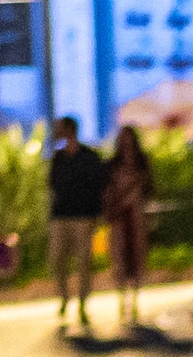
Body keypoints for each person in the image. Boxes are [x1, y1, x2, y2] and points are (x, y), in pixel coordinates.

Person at [45, 116, 108, 330]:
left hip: (83, 216)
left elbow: (98, 186)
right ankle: (64, 296)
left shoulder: (89, 157)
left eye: (60, 127)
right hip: (61, 215)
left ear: (70, 130)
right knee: (57, 257)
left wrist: (96, 215)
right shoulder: (58, 158)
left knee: (84, 261)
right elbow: (52, 184)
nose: (57, 131)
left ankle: (82, 302)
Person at [102, 125, 154, 329]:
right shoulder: (112, 165)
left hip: (136, 218)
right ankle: (122, 299)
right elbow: (106, 192)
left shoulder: (142, 163)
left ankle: (134, 300)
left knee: (137, 257)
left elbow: (150, 188)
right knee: (119, 257)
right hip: (119, 219)